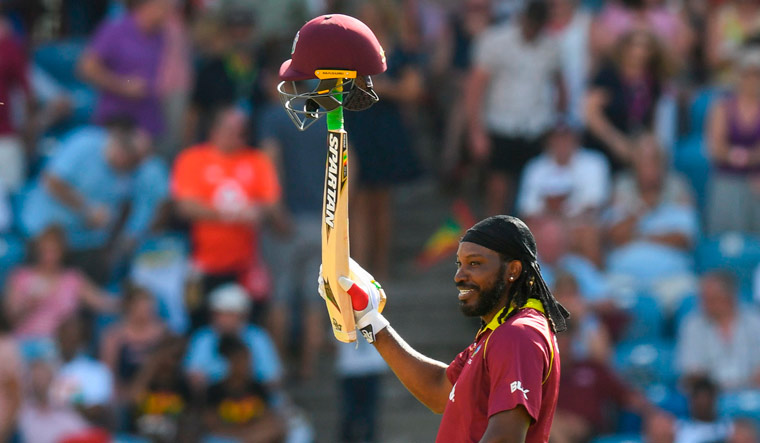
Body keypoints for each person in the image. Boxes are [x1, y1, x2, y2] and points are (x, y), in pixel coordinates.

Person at [320, 215, 570, 442]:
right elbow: (439, 390)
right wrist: (369, 320)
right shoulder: (499, 333)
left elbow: (504, 438)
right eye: (459, 264)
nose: (459, 275)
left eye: (474, 263)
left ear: (513, 270)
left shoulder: (518, 334)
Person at [171, 106, 280, 328]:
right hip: (202, 262)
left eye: (242, 131)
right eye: (232, 130)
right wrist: (231, 214)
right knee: (199, 321)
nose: (238, 136)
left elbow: (269, 205)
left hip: (246, 263)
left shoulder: (256, 160)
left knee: (251, 322)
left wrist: (257, 212)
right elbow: (185, 206)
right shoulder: (192, 159)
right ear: (215, 130)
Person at [19, 118, 154, 284]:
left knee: (102, 270)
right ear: (120, 151)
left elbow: (127, 204)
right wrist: (86, 209)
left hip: (86, 243)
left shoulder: (133, 171)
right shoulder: (85, 143)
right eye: (131, 162)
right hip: (46, 233)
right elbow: (51, 181)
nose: (131, 169)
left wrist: (114, 240)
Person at [345, 0, 424, 278]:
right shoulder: (350, 50)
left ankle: (380, 268)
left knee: (382, 203)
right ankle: (360, 269)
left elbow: (413, 90)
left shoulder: (401, 50)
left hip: (386, 129)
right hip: (358, 126)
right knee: (359, 202)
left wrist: (377, 87)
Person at [258, 62, 326, 379]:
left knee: (280, 298)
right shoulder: (325, 113)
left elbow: (269, 163)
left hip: (286, 222)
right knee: (314, 301)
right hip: (321, 221)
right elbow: (348, 162)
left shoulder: (274, 116)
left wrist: (275, 211)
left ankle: (279, 370)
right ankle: (311, 370)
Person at [466, 0, 566, 215]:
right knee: (497, 190)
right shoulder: (495, 41)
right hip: (501, 126)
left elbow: (560, 86)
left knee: (533, 194)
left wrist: (558, 120)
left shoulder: (551, 47)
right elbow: (475, 89)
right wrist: (476, 132)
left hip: (537, 128)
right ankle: (496, 240)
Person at [4, 226, 116, 341]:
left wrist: (128, 300)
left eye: (53, 251)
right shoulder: (21, 276)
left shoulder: (73, 279)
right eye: (45, 251)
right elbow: (10, 317)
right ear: (37, 251)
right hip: (24, 342)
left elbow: (102, 302)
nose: (49, 256)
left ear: (62, 252)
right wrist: (29, 305)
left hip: (60, 347)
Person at [79, 0, 171, 138]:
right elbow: (86, 68)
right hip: (115, 121)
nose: (167, 14)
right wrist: (124, 85)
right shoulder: (115, 30)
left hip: (147, 122)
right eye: (163, 7)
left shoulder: (160, 36)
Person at [584, 29, 670, 172]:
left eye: (645, 46)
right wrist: (615, 141)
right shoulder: (609, 75)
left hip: (634, 149)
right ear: (624, 47)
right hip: (603, 146)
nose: (639, 51)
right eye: (635, 45)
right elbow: (591, 111)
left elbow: (651, 120)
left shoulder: (652, 82)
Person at [183, 283, 282, 390]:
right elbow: (192, 372)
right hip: (214, 397)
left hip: (253, 396)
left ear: (243, 315)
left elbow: (272, 376)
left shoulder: (257, 337)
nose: (224, 319)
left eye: (230, 314)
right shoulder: (203, 337)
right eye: (220, 314)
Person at [705, 47, 760, 235]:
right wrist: (745, 158)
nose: (752, 80)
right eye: (748, 74)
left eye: (757, 74)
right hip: (727, 178)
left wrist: (740, 158)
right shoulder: (722, 107)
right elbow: (715, 147)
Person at [676, 270, 760, 390]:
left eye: (710, 299)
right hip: (711, 394)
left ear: (728, 298)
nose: (703, 305)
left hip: (753, 391)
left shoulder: (755, 321)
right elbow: (692, 370)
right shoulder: (693, 325)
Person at [203, 334, 286, 443]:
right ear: (229, 362)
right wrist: (243, 435)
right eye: (241, 359)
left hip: (254, 436)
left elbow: (270, 420)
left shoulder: (258, 388)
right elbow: (211, 424)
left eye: (248, 359)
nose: (247, 364)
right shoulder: (214, 390)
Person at [100, 285, 168, 400]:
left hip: (157, 393)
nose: (146, 312)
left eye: (149, 308)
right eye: (141, 307)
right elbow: (107, 373)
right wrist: (120, 395)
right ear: (130, 307)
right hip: (124, 393)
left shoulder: (162, 333)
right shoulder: (114, 336)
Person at [127, 335, 197, 443]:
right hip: (141, 435)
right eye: (168, 355)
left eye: (177, 357)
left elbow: (189, 415)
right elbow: (132, 400)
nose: (170, 361)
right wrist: (151, 366)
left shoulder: (182, 384)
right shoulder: (145, 377)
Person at [674, 376, 733, 443]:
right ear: (691, 401)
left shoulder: (728, 428)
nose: (703, 403)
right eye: (699, 399)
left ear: (713, 400)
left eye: (706, 399)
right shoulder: (679, 429)